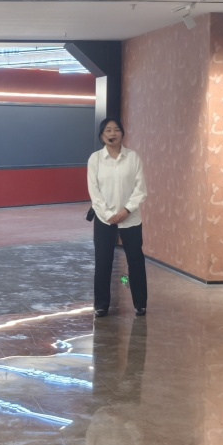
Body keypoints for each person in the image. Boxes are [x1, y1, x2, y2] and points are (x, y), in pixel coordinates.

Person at [87, 117, 148, 317]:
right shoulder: (95, 159)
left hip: (130, 218)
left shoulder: (133, 158)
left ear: (122, 133)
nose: (112, 133)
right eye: (108, 130)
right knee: (103, 261)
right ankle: (101, 305)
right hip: (104, 218)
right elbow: (94, 191)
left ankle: (140, 303)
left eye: (116, 130)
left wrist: (126, 210)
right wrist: (107, 214)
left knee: (136, 260)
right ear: (101, 136)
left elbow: (140, 189)